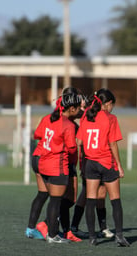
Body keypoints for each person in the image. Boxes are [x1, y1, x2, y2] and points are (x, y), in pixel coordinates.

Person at [28, 88, 83, 243]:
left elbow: (38, 134)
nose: (80, 111)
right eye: (78, 108)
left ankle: (41, 229)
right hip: (56, 165)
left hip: (44, 162)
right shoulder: (68, 124)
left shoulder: (49, 118)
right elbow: (72, 147)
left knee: (50, 198)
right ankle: (52, 235)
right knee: (56, 200)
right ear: (72, 108)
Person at [76, 88, 129, 247]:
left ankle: (92, 237)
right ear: (108, 103)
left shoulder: (87, 116)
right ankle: (119, 235)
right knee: (115, 200)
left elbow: (79, 142)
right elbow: (113, 144)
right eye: (112, 104)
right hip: (107, 162)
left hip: (90, 163)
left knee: (90, 200)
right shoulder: (110, 118)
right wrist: (119, 166)